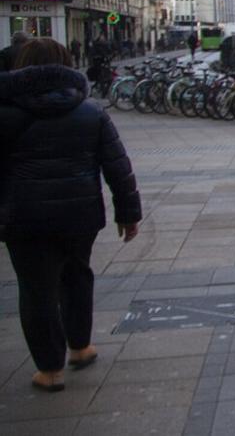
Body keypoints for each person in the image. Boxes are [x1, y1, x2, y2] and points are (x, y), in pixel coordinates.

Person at [0, 39, 141, 392]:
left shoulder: (6, 112)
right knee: (77, 276)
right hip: (80, 214)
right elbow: (118, 166)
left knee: (36, 290)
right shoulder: (90, 111)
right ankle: (80, 346)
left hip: (24, 218)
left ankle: (49, 370)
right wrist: (128, 213)